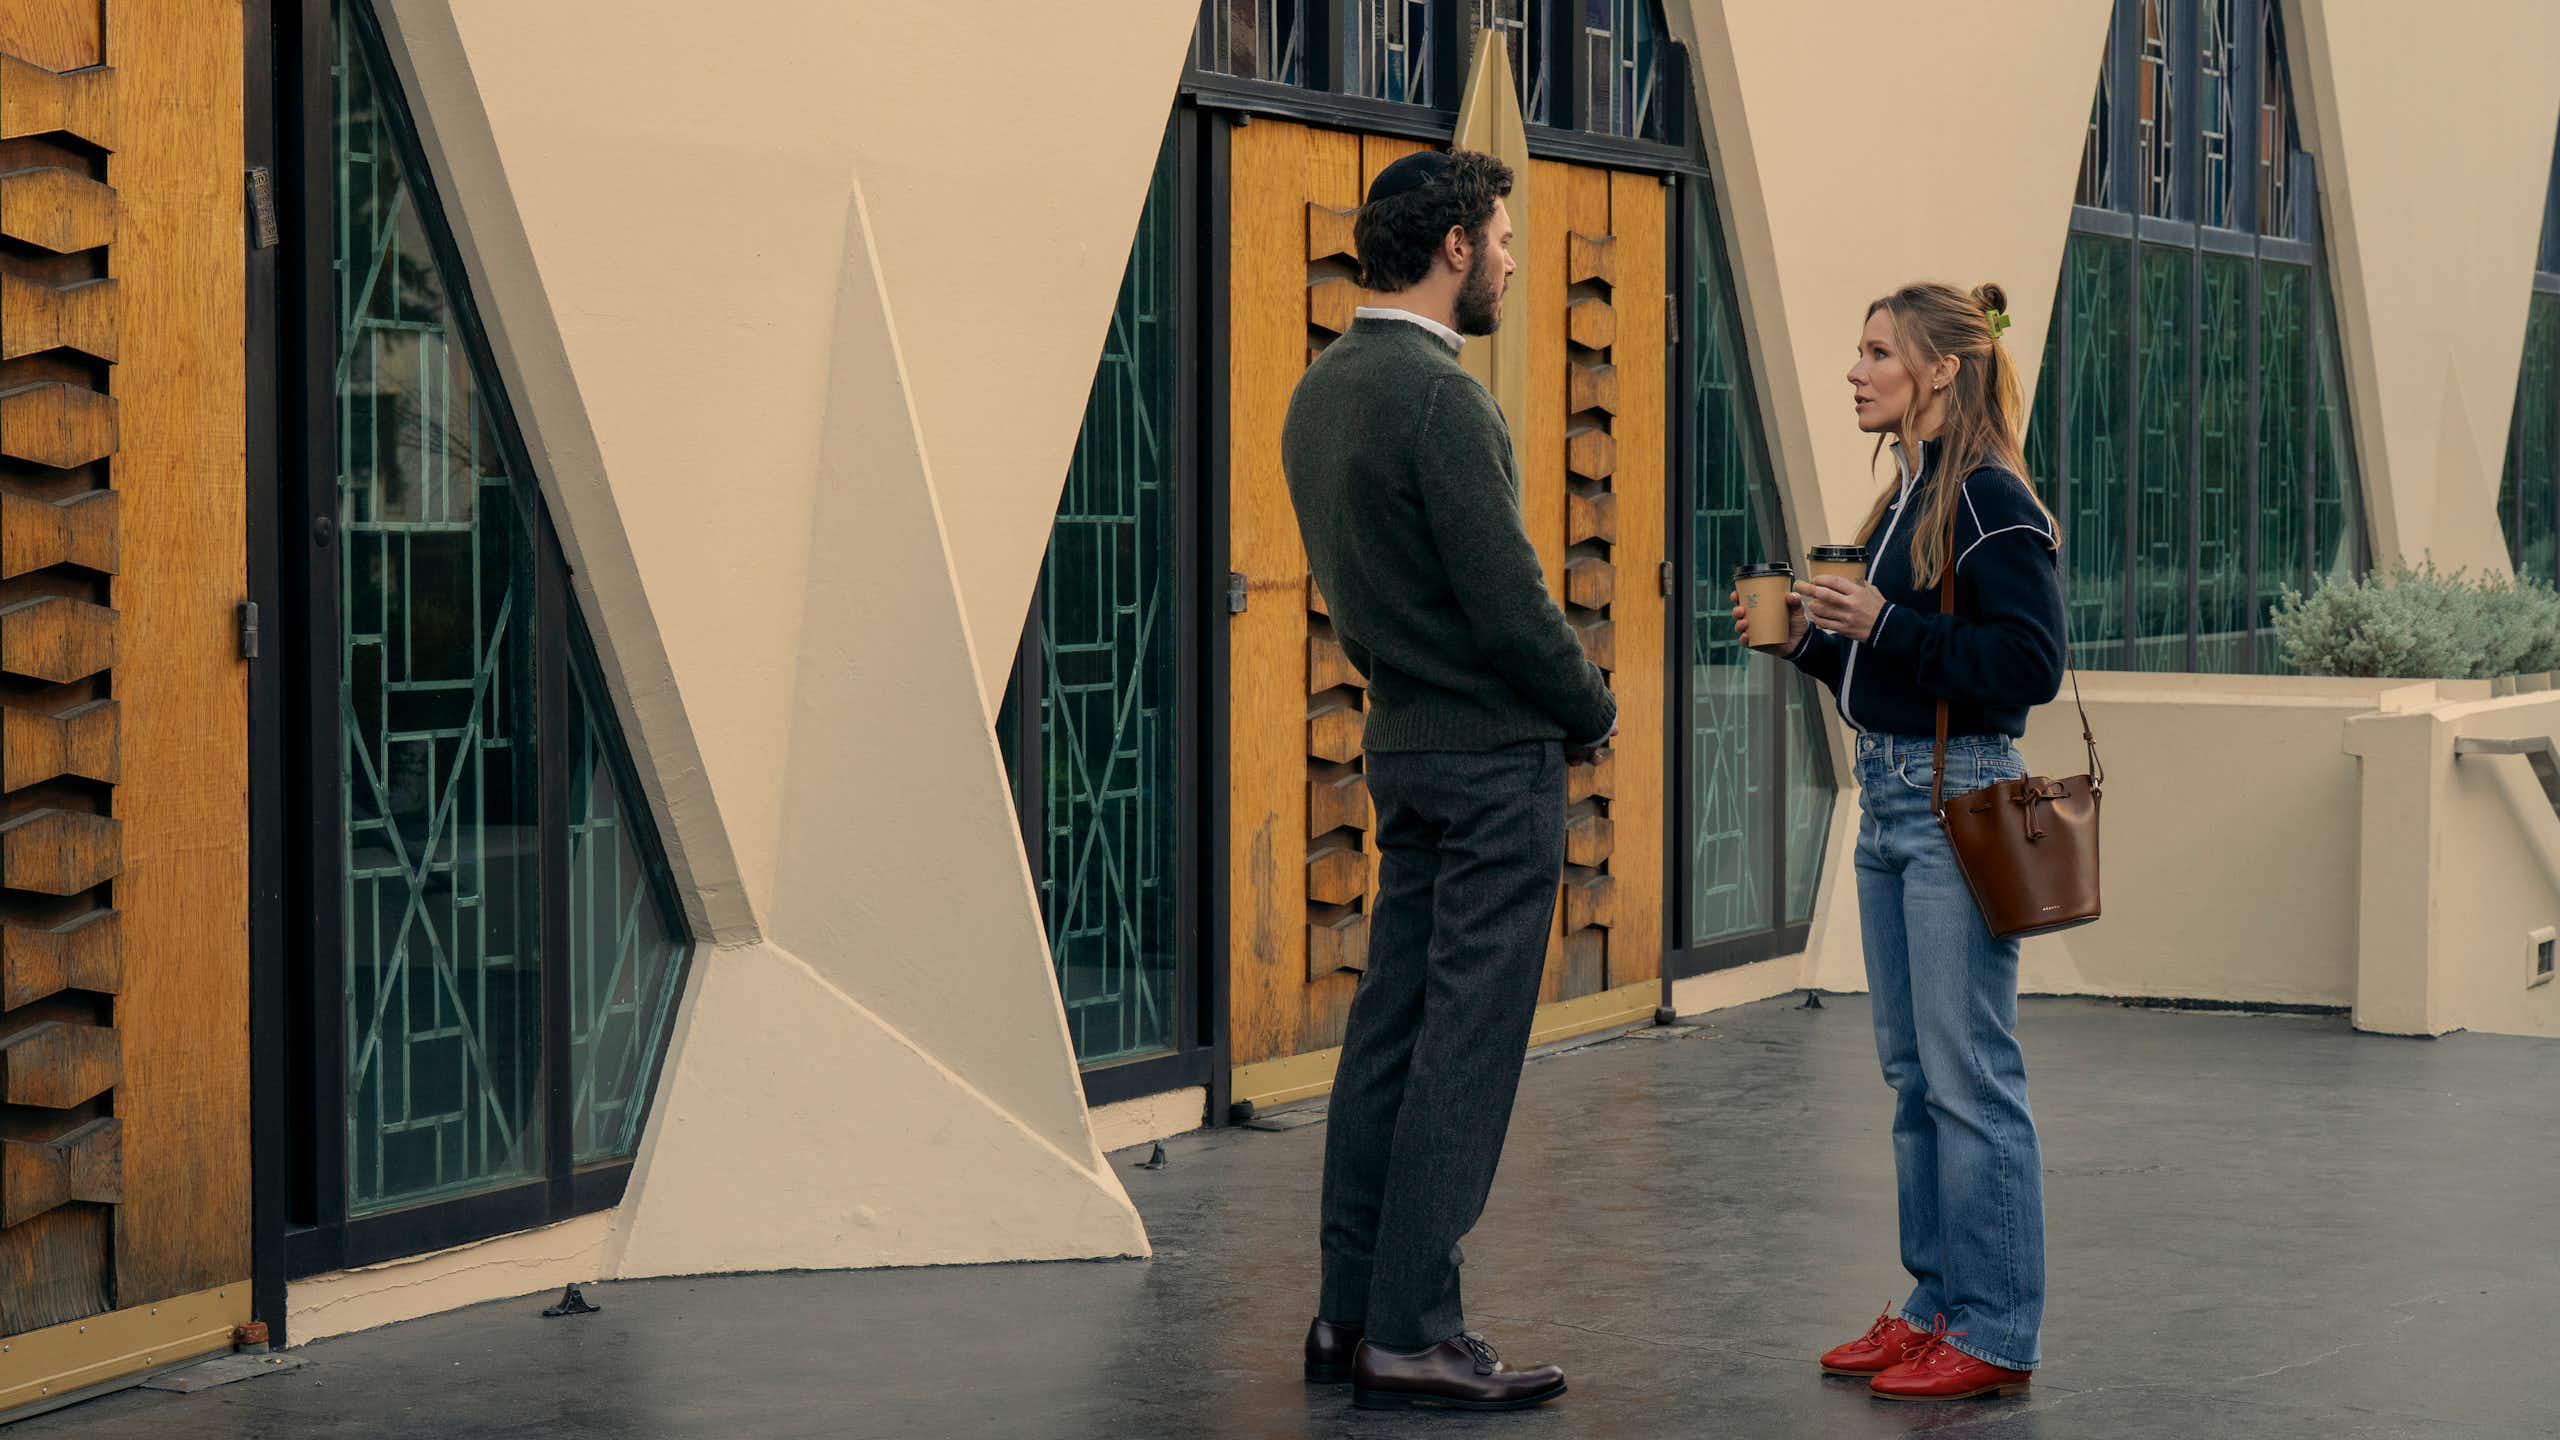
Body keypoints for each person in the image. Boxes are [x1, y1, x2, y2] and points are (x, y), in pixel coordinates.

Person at [1280, 147, 1615, 1414]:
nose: (1517, 263)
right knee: (1465, 1049)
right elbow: (1510, 601)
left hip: (1403, 750)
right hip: (1487, 761)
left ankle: (1350, 1316)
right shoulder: (1439, 399)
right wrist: (1590, 705)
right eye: (1507, 239)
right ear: (1456, 247)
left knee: (1389, 1035)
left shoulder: (1322, 390)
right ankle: (1414, 1331)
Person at [1739, 282, 2066, 1403]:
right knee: (1913, 1076)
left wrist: (1885, 623)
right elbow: (1897, 670)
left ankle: (1995, 1328)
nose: (1855, 369)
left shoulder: (1987, 498)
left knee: (1969, 1076)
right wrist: (1809, 643)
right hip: (1889, 801)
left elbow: (2026, 669)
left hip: (1956, 801)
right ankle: (1934, 1306)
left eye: (1877, 351)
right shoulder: (1908, 496)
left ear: (1937, 371)